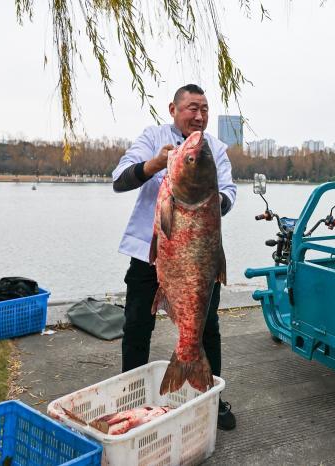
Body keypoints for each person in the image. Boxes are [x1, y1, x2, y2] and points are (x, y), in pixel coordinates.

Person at [112, 84, 237, 430]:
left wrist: (210, 201)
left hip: (198, 256)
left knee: (206, 325)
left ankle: (209, 395)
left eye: (205, 109)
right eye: (192, 108)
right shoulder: (152, 137)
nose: (199, 116)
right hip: (148, 254)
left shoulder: (217, 150)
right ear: (173, 109)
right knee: (137, 325)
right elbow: (119, 181)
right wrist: (153, 165)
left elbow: (227, 193)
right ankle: (132, 396)